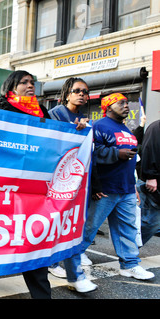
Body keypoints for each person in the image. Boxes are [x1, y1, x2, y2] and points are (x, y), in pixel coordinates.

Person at [64, 93, 155, 293]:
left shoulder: (126, 130)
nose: (126, 106)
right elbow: (90, 154)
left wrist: (133, 187)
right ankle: (74, 267)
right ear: (108, 106)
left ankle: (130, 265)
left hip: (126, 190)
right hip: (105, 189)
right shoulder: (99, 126)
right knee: (88, 230)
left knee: (128, 229)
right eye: (120, 103)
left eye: (126, 103)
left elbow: (131, 162)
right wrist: (116, 154)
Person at [0, 70, 51, 299]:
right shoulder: (0, 108)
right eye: (24, 82)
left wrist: (75, 131)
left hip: (33, 190)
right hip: (4, 187)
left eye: (32, 82)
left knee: (32, 240)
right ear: (11, 87)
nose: (30, 86)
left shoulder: (42, 111)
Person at [47, 77, 91, 280]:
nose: (82, 94)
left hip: (75, 179)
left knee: (69, 220)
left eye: (85, 92)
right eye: (77, 91)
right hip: (56, 177)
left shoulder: (83, 117)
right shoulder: (56, 114)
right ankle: (51, 261)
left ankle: (64, 256)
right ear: (67, 94)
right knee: (55, 218)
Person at [137, 119, 160, 244]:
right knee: (150, 222)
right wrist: (150, 176)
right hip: (152, 183)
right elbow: (149, 149)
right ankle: (131, 248)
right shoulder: (156, 127)